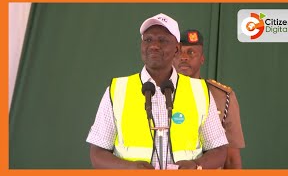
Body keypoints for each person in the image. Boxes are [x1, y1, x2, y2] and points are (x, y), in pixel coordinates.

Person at [86, 13, 228, 169]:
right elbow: (97, 153)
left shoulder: (199, 91)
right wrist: (129, 168)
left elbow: (219, 149)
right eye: (148, 40)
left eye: (162, 40)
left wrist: (196, 165)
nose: (154, 45)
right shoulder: (118, 90)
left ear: (177, 49)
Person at [173, 29, 245, 169]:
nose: (184, 57)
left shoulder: (222, 96)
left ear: (202, 59)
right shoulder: (154, 92)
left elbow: (231, 158)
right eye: (178, 52)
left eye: (191, 52)